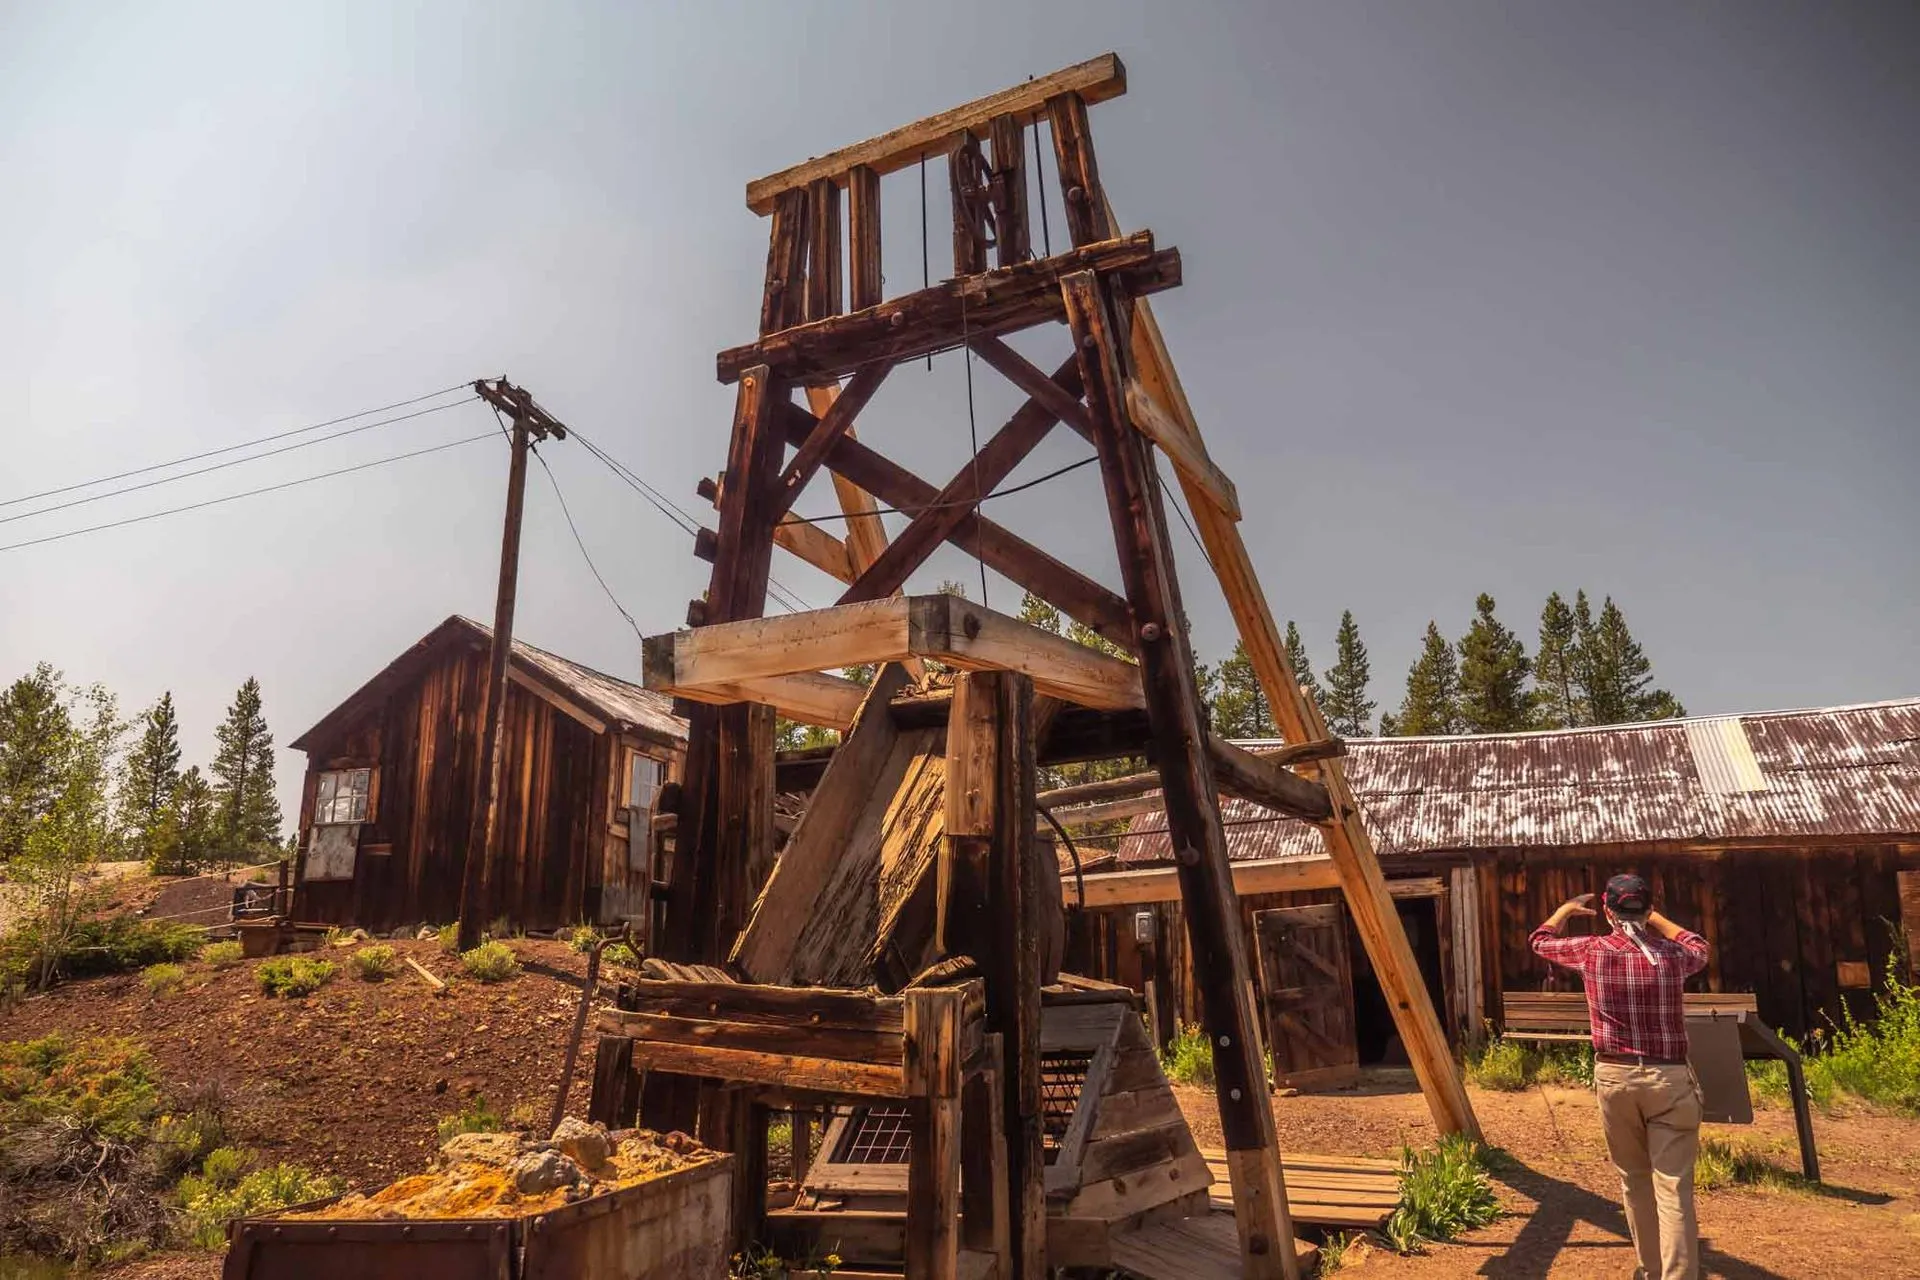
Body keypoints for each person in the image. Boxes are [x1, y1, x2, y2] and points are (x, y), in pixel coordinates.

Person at [1531, 873, 1710, 1280]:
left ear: (1607, 910)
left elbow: (1539, 941)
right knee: (1674, 1187)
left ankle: (1649, 1268)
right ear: (1647, 910)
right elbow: (1700, 946)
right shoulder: (1673, 956)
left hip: (1616, 1076)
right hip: (1670, 1079)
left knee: (1634, 1181)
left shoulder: (1591, 951)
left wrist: (1563, 912)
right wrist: (1655, 918)